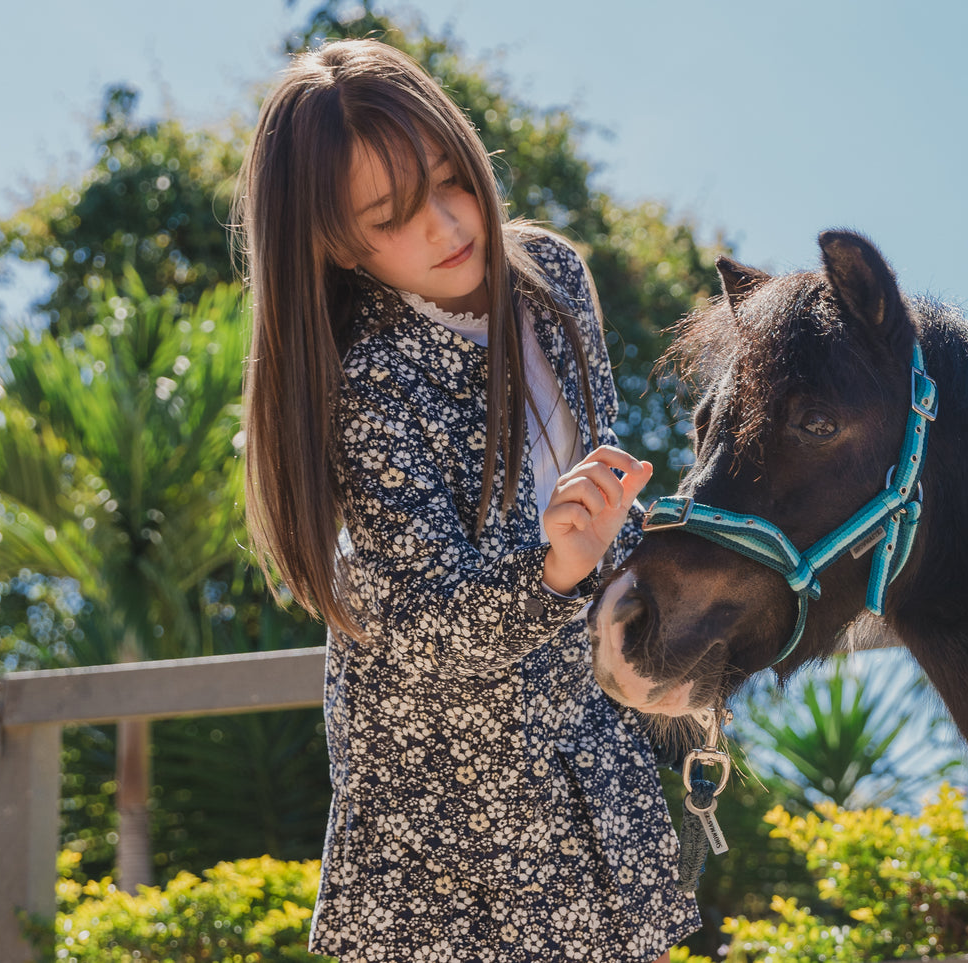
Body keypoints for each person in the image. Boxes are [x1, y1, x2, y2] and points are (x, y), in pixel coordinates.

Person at [232, 38, 701, 962]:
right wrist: (557, 566)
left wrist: (665, 595)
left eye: (451, 179)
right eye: (393, 215)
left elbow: (605, 495)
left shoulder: (555, 278)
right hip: (445, 808)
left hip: (583, 744)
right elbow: (422, 623)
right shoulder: (365, 384)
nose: (449, 224)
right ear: (334, 243)